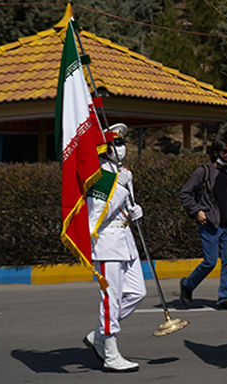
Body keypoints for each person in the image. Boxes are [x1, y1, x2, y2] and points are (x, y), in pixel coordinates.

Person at [83, 122, 146, 373]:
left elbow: (121, 207)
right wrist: (119, 188)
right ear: (105, 148)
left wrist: (133, 211)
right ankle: (110, 351)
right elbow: (95, 217)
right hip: (107, 243)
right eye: (117, 143)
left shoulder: (121, 173)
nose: (123, 148)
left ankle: (99, 334)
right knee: (110, 300)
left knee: (137, 293)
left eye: (123, 143)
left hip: (125, 241)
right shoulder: (100, 176)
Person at [178, 137, 227, 310]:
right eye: (224, 151)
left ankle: (225, 297)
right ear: (214, 153)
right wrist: (197, 211)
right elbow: (185, 193)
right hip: (210, 223)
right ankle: (188, 285)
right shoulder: (203, 172)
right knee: (210, 262)